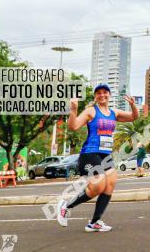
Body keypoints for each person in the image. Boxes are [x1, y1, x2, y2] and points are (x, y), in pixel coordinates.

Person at [57, 85, 139, 232]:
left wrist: (133, 106)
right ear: (95, 96)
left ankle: (94, 222)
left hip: (105, 154)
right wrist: (74, 110)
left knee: (110, 184)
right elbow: (73, 126)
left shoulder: (114, 112)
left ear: (109, 95)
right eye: (99, 93)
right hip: (90, 154)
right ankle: (66, 206)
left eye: (105, 93)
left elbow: (134, 117)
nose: (102, 95)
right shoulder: (91, 111)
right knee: (98, 186)